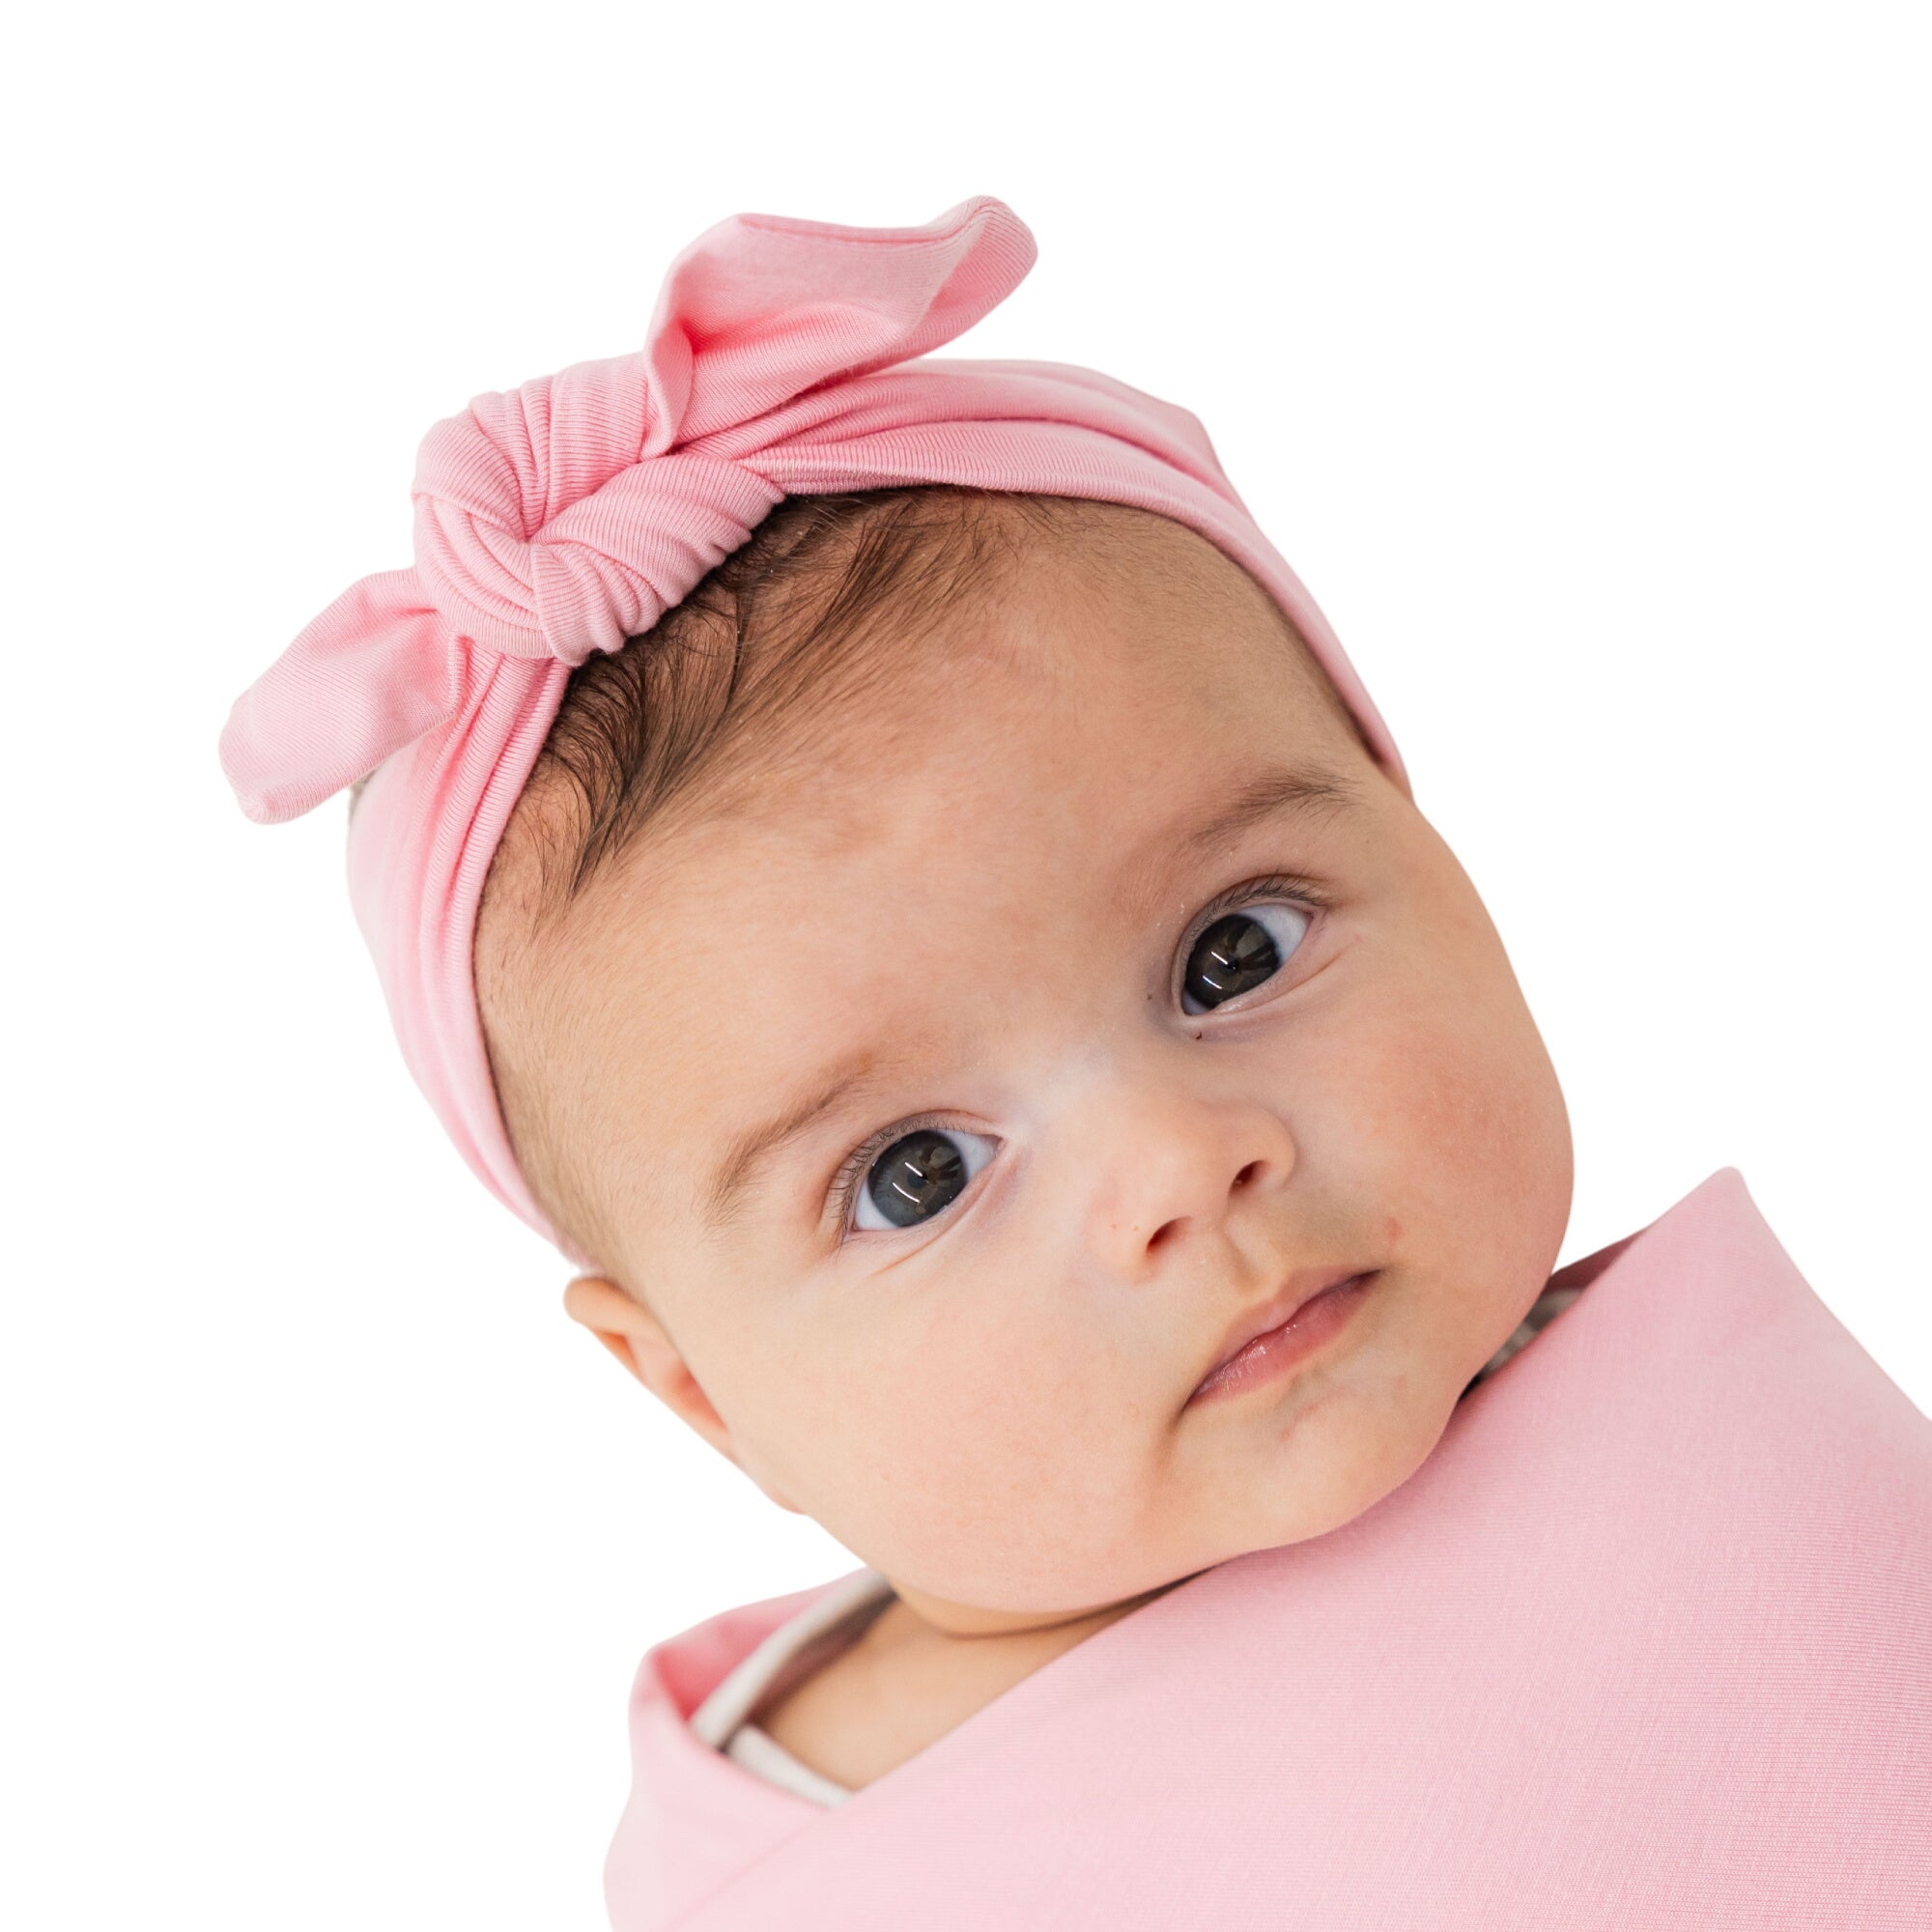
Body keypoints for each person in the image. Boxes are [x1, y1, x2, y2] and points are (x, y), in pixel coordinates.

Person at [219, 197, 1931, 1929]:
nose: (1182, 1165)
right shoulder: (808, 1872)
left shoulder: (1731, 1443)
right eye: (918, 1176)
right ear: (703, 1395)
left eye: (1234, 951)